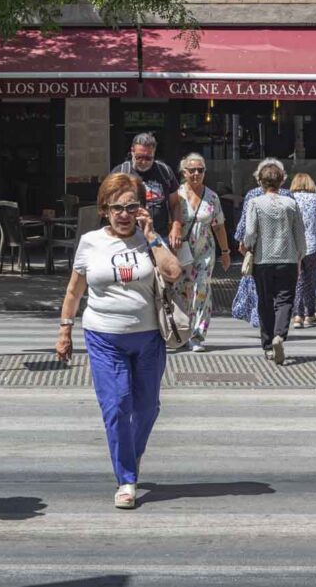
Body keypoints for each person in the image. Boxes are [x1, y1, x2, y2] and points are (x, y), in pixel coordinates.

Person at [55, 172, 182, 510]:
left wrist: (152, 236)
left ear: (141, 208)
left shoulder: (147, 239)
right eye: (117, 208)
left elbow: (174, 273)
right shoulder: (91, 242)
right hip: (103, 337)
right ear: (104, 210)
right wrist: (65, 329)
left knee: (146, 408)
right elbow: (73, 291)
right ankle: (126, 479)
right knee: (116, 406)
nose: (124, 214)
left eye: (131, 207)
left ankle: (130, 453)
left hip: (148, 338)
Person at [240, 162, 307, 365]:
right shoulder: (291, 203)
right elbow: (300, 235)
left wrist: (247, 245)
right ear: (282, 181)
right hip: (287, 259)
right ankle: (280, 335)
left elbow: (250, 232)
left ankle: (268, 345)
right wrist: (300, 256)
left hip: (263, 260)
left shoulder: (256, 203)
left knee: (265, 302)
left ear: (260, 181)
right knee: (285, 300)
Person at [176, 153, 231, 352]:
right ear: (184, 172)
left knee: (201, 290)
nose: (197, 174)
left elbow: (219, 226)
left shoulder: (212, 197)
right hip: (180, 251)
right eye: (192, 170)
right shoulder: (177, 194)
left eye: (201, 170)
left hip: (205, 250)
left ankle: (197, 335)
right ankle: (181, 332)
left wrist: (225, 252)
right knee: (182, 291)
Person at [231, 159, 294, 328]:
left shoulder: (253, 195)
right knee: (281, 293)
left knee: (261, 292)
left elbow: (245, 224)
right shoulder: (288, 196)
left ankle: (265, 327)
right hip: (285, 252)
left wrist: (243, 244)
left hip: (260, 251)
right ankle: (278, 329)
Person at [111, 132, 183, 247]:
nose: (144, 161)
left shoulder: (164, 171)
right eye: (139, 157)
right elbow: (109, 206)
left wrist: (176, 226)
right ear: (132, 151)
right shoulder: (121, 172)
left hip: (159, 236)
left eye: (148, 158)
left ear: (154, 153)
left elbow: (175, 203)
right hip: (128, 239)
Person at [290, 173, 316, 328]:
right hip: (313, 245)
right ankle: (309, 315)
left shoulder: (290, 198)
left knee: (298, 279)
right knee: (310, 279)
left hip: (295, 245)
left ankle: (297, 316)